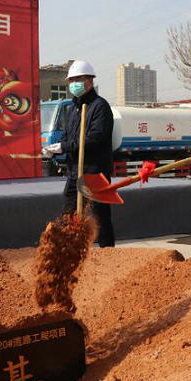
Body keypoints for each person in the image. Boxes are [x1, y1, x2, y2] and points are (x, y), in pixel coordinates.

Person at [42, 60, 115, 247]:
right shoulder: (73, 109)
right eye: (71, 80)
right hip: (75, 172)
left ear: (89, 80)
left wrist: (65, 146)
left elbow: (95, 139)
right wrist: (55, 151)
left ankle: (107, 251)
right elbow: (67, 137)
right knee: (68, 214)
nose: (74, 84)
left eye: (78, 79)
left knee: (99, 217)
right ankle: (67, 252)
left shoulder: (100, 107)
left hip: (95, 172)